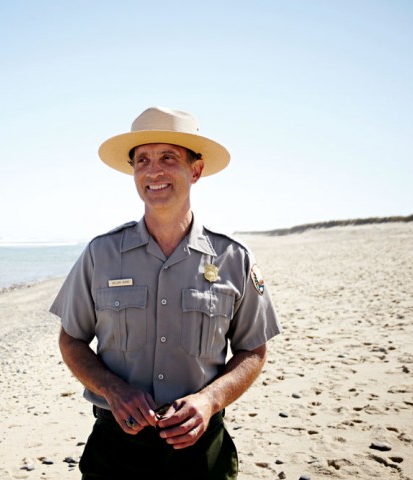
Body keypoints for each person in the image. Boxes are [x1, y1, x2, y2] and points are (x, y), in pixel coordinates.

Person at [49, 106, 282, 479]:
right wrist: (113, 390)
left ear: (196, 169)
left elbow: (254, 350)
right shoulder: (101, 253)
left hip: (200, 449)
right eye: (142, 160)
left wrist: (209, 400)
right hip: (116, 449)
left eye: (168, 158)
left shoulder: (233, 258)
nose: (153, 171)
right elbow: (71, 339)